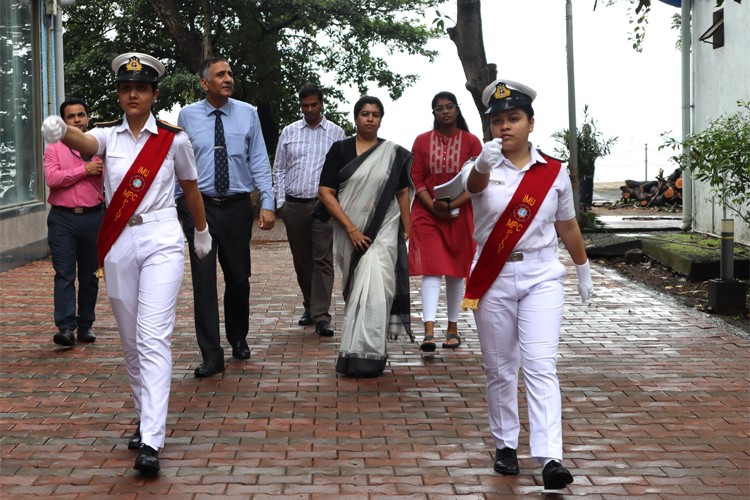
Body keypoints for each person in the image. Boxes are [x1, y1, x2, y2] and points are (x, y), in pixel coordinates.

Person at [40, 52, 212, 476]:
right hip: (118, 241)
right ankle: (143, 414)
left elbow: (191, 191)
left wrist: (202, 232)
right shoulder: (107, 137)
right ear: (119, 94)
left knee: (154, 336)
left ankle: (152, 438)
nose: (132, 93)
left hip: (161, 239)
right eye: (125, 88)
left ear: (154, 94)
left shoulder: (174, 140)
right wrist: (60, 130)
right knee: (132, 341)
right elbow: (83, 143)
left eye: (141, 88)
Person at [461, 79, 593, 490]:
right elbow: (470, 188)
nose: (505, 127)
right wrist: (482, 166)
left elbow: (566, 224)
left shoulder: (552, 172)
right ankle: (505, 444)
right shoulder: (480, 167)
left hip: (541, 275)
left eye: (514, 118)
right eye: (498, 120)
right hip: (494, 276)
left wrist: (583, 267)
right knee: (500, 369)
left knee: (540, 365)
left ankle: (550, 456)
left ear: (531, 123)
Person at [176, 56, 275, 378]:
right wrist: (180, 206)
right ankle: (211, 353)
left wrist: (268, 201)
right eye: (220, 74)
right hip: (200, 208)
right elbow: (179, 162)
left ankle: (238, 337)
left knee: (237, 278)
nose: (228, 78)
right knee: (203, 284)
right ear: (205, 83)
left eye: (230, 73)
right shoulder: (187, 116)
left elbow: (259, 159)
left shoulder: (248, 114)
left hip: (235, 207)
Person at [317, 96, 413, 378]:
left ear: (381, 119)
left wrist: (407, 228)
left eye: (375, 114)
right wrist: (352, 229)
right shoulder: (340, 149)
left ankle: (370, 355)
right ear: (356, 118)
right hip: (349, 230)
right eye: (364, 114)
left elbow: (402, 192)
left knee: (377, 289)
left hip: (384, 230)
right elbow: (325, 193)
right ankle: (353, 353)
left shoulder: (393, 153)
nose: (370, 119)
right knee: (356, 289)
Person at [408, 91, 482, 352]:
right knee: (431, 268)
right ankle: (428, 331)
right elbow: (416, 178)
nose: (445, 111)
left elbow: (476, 181)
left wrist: (452, 205)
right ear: (434, 114)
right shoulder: (421, 141)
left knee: (455, 270)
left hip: (461, 212)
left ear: (457, 109)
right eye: (439, 108)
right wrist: (434, 207)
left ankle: (452, 327)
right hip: (427, 213)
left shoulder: (472, 142)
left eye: (449, 106)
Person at [273, 83, 345, 337]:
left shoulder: (336, 133)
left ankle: (322, 315)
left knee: (322, 260)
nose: (310, 110)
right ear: (300, 106)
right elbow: (279, 168)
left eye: (314, 104)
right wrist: (280, 203)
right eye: (305, 106)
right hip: (294, 205)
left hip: (323, 206)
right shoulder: (289, 132)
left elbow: (343, 172)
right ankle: (309, 305)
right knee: (302, 261)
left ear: (322, 103)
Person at [43, 98, 104, 347]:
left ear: (87, 118)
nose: (77, 119)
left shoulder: (99, 146)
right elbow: (52, 179)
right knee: (64, 274)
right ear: (63, 122)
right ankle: (66, 328)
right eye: (71, 116)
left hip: (93, 218)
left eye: (81, 115)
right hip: (63, 219)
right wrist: (84, 171)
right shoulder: (54, 147)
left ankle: (86, 324)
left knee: (91, 275)